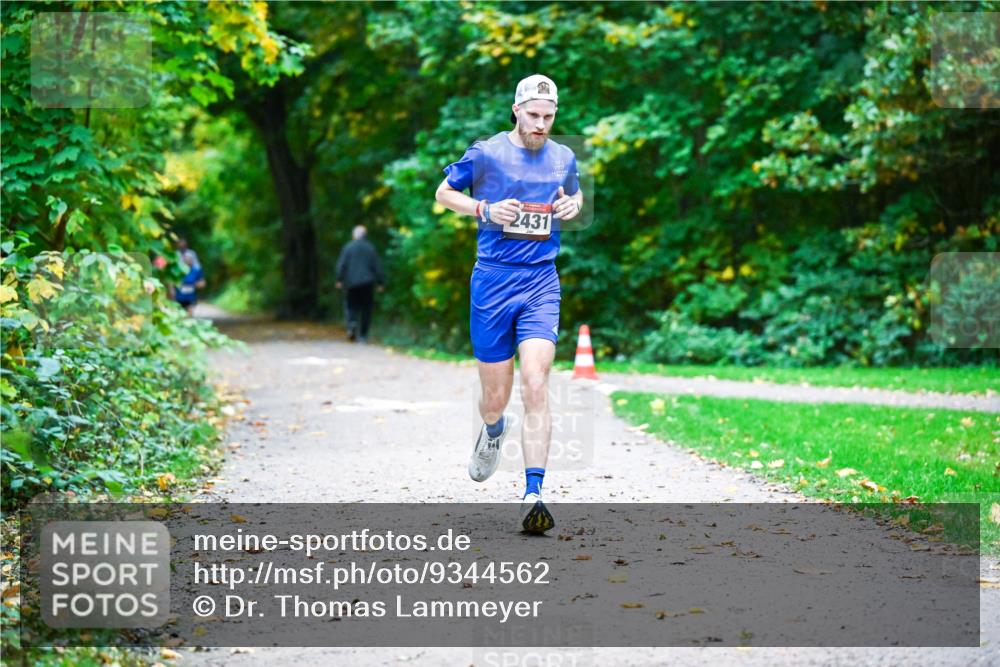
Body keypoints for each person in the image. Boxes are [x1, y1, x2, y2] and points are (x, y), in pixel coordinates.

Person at [435, 74, 583, 534]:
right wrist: (483, 209)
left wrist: (573, 206)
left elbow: (573, 196)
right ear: (516, 110)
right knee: (495, 400)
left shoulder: (564, 156)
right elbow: (443, 193)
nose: (541, 124)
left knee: (536, 382)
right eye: (534, 115)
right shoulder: (487, 152)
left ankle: (533, 493)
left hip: (541, 280)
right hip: (493, 283)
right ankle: (493, 431)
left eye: (549, 116)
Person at [335, 225, 385, 342]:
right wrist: (380, 282)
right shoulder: (370, 248)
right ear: (365, 235)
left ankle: (352, 324)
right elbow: (377, 266)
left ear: (354, 235)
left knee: (351, 305)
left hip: (351, 282)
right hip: (367, 283)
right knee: (366, 309)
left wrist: (339, 279)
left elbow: (341, 264)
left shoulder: (348, 247)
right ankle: (363, 335)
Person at [174, 249, 205, 315]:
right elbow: (171, 281)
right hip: (179, 297)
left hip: (191, 297)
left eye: (189, 259)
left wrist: (194, 284)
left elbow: (202, 283)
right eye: (186, 258)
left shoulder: (196, 270)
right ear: (184, 260)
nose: (188, 260)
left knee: (189, 313)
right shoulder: (179, 269)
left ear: (192, 260)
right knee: (180, 315)